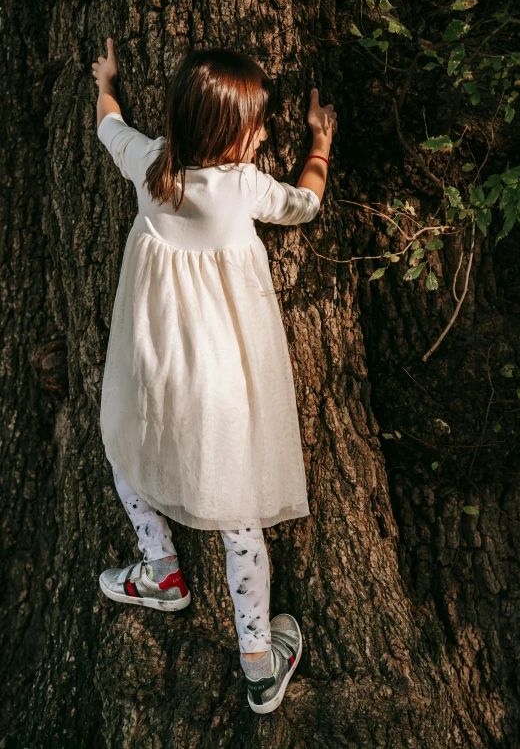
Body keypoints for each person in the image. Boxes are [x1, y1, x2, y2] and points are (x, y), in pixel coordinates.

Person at [92, 39, 337, 714]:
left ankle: (160, 565)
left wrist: (105, 79)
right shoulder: (244, 187)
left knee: (124, 448)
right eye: (257, 124)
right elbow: (305, 205)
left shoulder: (150, 167)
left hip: (154, 369)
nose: (266, 133)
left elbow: (107, 123)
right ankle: (257, 661)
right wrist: (319, 146)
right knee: (238, 514)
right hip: (225, 384)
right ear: (231, 135)